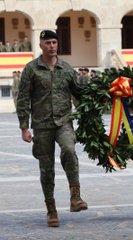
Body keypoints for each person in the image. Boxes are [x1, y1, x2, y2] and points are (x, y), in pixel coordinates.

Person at [16, 30, 88, 227]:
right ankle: (51, 209)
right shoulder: (31, 69)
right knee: (46, 170)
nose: (51, 46)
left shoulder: (66, 68)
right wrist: (24, 127)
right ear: (40, 45)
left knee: (69, 150)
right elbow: (23, 99)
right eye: (47, 42)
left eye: (54, 42)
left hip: (64, 121)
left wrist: (97, 101)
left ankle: (75, 197)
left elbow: (79, 93)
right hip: (42, 125)